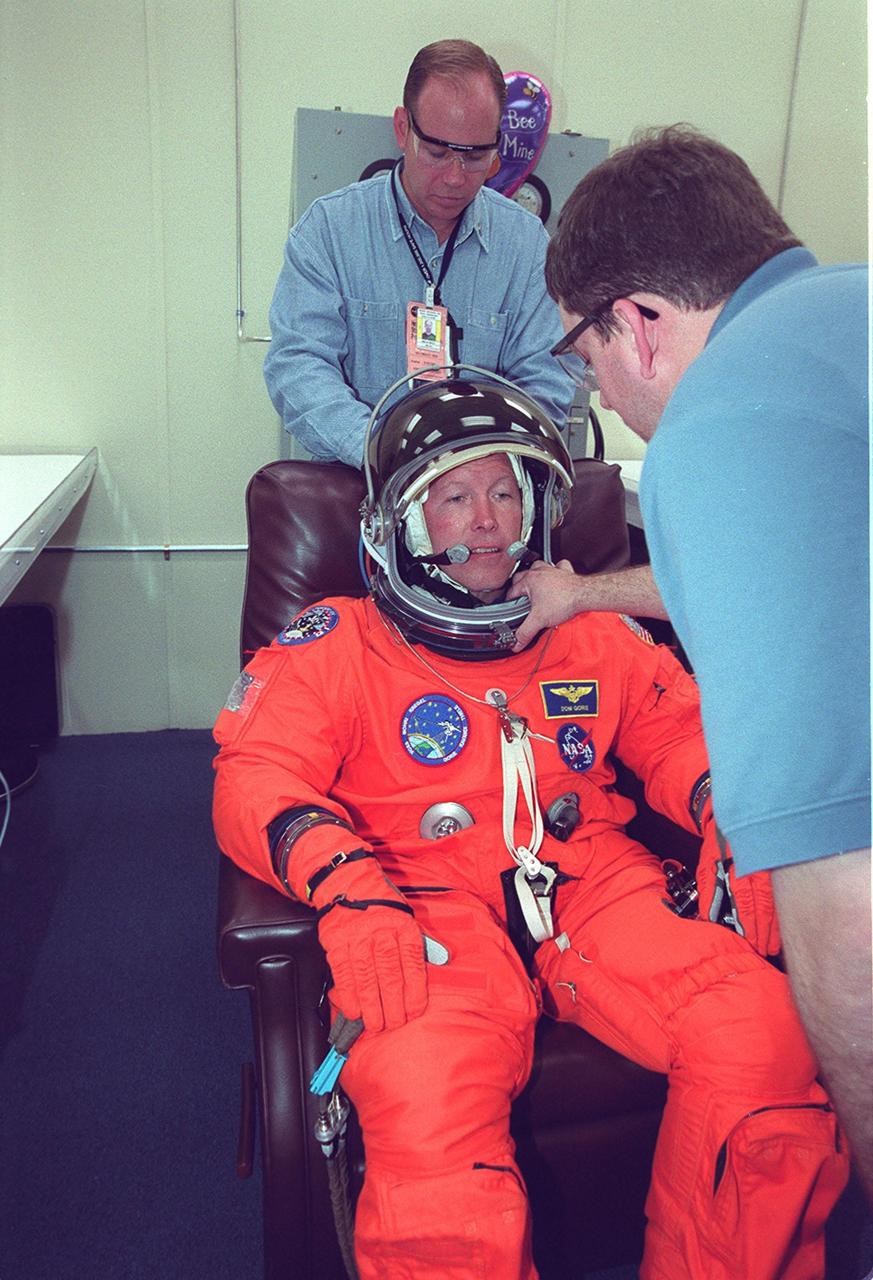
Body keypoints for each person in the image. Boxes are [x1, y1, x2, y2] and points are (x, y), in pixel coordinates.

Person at [213, 375, 848, 1279]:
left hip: (592, 885)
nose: (486, 522)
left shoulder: (588, 630)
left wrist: (733, 816)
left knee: (761, 1034)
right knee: (428, 1104)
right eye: (456, 497)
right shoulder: (337, 644)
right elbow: (257, 774)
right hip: (419, 902)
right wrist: (344, 883)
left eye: (505, 493)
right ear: (398, 523)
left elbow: (680, 732)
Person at [510, 124, 872, 1199]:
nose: (607, 399)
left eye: (588, 358)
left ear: (641, 323)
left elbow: (838, 876)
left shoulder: (717, 428)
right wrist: (578, 594)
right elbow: (780, 564)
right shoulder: (840, 319)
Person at [262, 38, 574, 468]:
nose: (454, 177)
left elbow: (545, 379)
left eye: (475, 156)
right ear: (403, 128)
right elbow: (298, 365)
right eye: (437, 152)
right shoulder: (330, 230)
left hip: (483, 497)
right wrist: (386, 454)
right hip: (361, 482)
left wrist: (474, 468)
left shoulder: (525, 246)